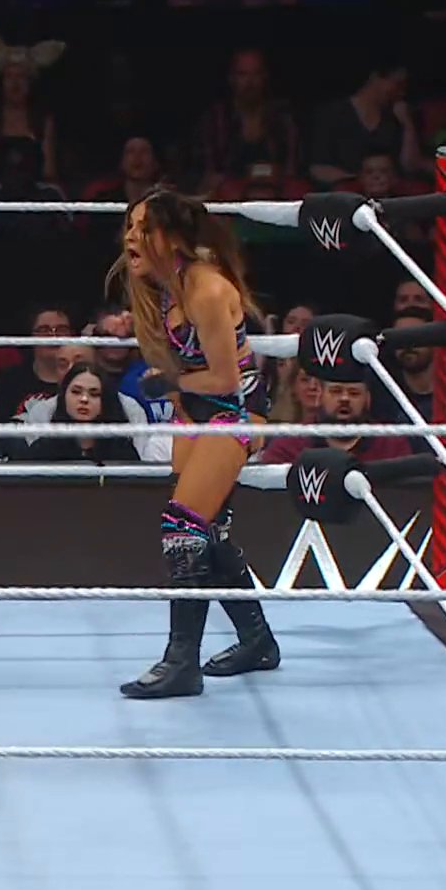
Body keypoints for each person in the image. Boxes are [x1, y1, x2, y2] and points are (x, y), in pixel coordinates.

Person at [108, 190, 280, 699]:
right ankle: (257, 641)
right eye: (129, 226)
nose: (131, 237)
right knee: (206, 532)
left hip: (236, 411)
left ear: (173, 238)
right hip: (198, 412)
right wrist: (178, 395)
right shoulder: (165, 287)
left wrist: (173, 384)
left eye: (144, 229)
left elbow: (226, 379)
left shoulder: (206, 289)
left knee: (181, 526)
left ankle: (181, 662)